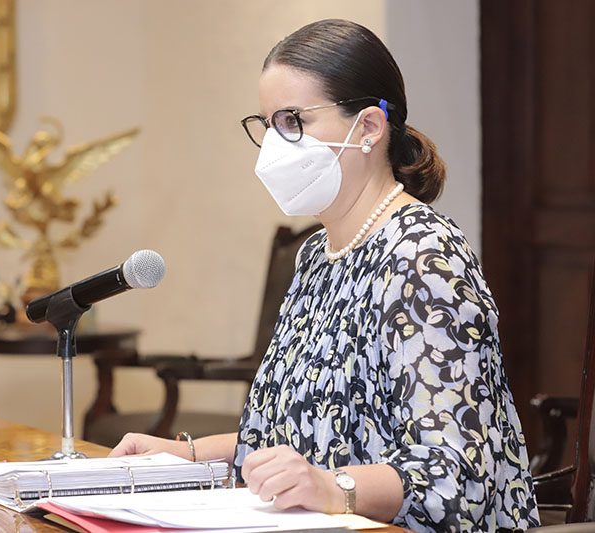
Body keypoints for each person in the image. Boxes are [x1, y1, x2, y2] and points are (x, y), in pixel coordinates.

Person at [110, 19, 539, 531]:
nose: (275, 144)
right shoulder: (316, 255)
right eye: (268, 124)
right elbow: (289, 438)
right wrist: (186, 453)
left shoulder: (425, 255)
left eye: (293, 121)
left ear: (370, 128)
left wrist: (333, 488)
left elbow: (457, 474)